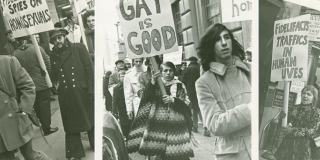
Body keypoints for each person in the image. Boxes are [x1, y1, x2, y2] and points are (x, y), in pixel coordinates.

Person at [195, 23, 251, 160]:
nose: (224, 43)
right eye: (218, 40)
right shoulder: (204, 82)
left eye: (227, 37)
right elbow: (214, 124)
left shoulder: (250, 70)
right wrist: (249, 109)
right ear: (210, 47)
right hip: (233, 154)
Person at [127, 61, 194, 160]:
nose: (168, 73)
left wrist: (174, 100)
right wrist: (152, 83)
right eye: (165, 70)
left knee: (178, 154)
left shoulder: (180, 85)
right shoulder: (156, 84)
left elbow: (186, 105)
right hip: (157, 125)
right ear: (161, 72)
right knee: (157, 153)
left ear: (174, 72)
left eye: (170, 70)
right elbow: (146, 98)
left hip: (176, 125)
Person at [49, 28, 94, 159]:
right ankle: (75, 152)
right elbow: (55, 74)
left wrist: (92, 90)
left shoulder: (78, 48)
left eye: (59, 38)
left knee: (89, 119)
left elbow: (89, 70)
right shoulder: (53, 55)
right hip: (66, 94)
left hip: (82, 92)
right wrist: (47, 74)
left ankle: (95, 142)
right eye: (55, 39)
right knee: (70, 124)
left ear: (64, 37)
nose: (58, 41)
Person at [0, 55, 51, 160]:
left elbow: (28, 85)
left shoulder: (7, 61)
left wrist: (24, 109)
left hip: (15, 119)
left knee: (30, 155)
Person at [13, 36, 59, 136]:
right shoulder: (37, 48)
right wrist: (49, 77)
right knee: (44, 105)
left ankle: (42, 123)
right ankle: (47, 127)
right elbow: (47, 62)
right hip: (41, 82)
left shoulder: (15, 54)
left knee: (36, 105)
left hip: (26, 85)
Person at [274, 85, 320, 160]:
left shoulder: (316, 112)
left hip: (303, 148)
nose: (305, 96)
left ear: (313, 98)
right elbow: (284, 126)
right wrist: (282, 118)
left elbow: (312, 131)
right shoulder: (294, 108)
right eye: (304, 93)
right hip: (288, 146)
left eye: (309, 94)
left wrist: (292, 131)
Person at [182, 56, 210, 137]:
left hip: (190, 93)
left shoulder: (186, 69)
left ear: (190, 61)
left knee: (194, 109)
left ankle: (195, 126)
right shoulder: (201, 68)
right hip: (201, 91)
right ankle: (206, 127)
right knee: (201, 109)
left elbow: (183, 81)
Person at [112, 67, 133, 139]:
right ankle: (126, 137)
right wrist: (114, 112)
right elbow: (114, 101)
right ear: (118, 77)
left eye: (125, 75)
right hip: (122, 109)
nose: (124, 77)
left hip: (131, 107)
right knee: (124, 125)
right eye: (122, 76)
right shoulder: (116, 88)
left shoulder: (131, 85)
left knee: (132, 123)